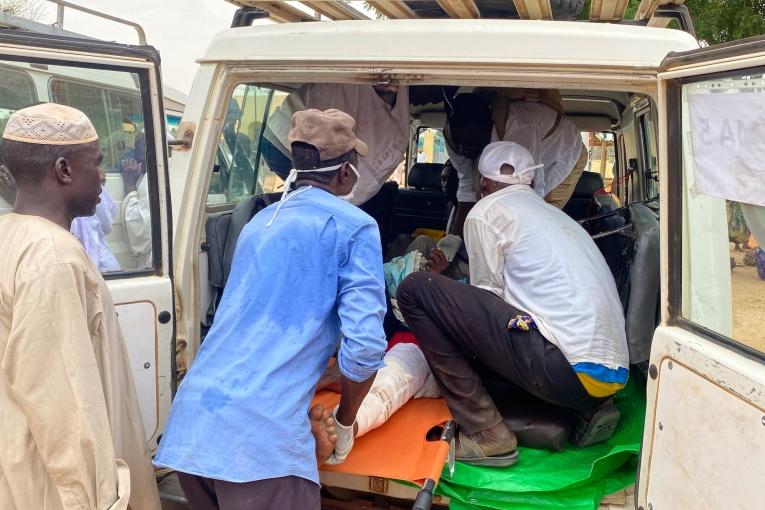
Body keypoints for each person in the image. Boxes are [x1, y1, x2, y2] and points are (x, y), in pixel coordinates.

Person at [154, 108, 388, 510]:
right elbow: (365, 349)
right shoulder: (355, 226)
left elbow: (257, 325)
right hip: (259, 446)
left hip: (193, 427)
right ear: (346, 173)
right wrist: (346, 422)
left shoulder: (258, 223)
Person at [397, 141, 629, 466]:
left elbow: (485, 303)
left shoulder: (486, 211)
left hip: (563, 369)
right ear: (530, 183)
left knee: (416, 289)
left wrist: (442, 293)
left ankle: (486, 432)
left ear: (484, 184)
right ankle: (586, 409)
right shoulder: (556, 217)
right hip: (609, 377)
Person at [0, 103, 160, 509]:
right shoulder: (52, 256)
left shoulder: (10, 233)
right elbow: (65, 402)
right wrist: (99, 499)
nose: (104, 176)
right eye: (97, 162)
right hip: (53, 486)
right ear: (64, 170)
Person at [444, 90, 585, 236]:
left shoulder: (520, 131)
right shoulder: (453, 137)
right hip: (521, 146)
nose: (465, 150)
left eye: (472, 144)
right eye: (460, 145)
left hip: (565, 153)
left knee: (543, 216)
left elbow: (532, 191)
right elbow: (467, 186)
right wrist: (455, 242)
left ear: (490, 124)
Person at [260, 83, 409, 206]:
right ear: (345, 172)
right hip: (281, 144)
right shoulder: (396, 134)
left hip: (278, 135)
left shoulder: (260, 222)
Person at [120, 132, 152, 269]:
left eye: (142, 144)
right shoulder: (144, 176)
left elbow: (140, 229)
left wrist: (129, 185)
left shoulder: (152, 179)